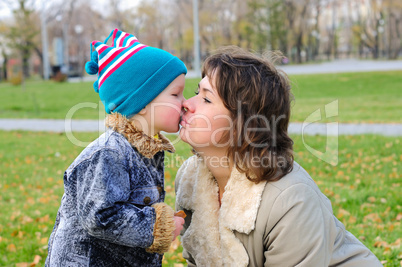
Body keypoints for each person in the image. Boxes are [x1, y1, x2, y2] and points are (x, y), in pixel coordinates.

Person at [175, 46, 382, 266]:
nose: (187, 103)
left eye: (206, 99)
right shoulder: (190, 180)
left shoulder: (290, 200)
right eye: (198, 92)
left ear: (245, 125)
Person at [46, 29, 186, 266]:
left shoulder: (144, 149)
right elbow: (99, 216)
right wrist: (157, 226)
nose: (185, 103)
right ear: (142, 102)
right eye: (175, 94)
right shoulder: (109, 153)